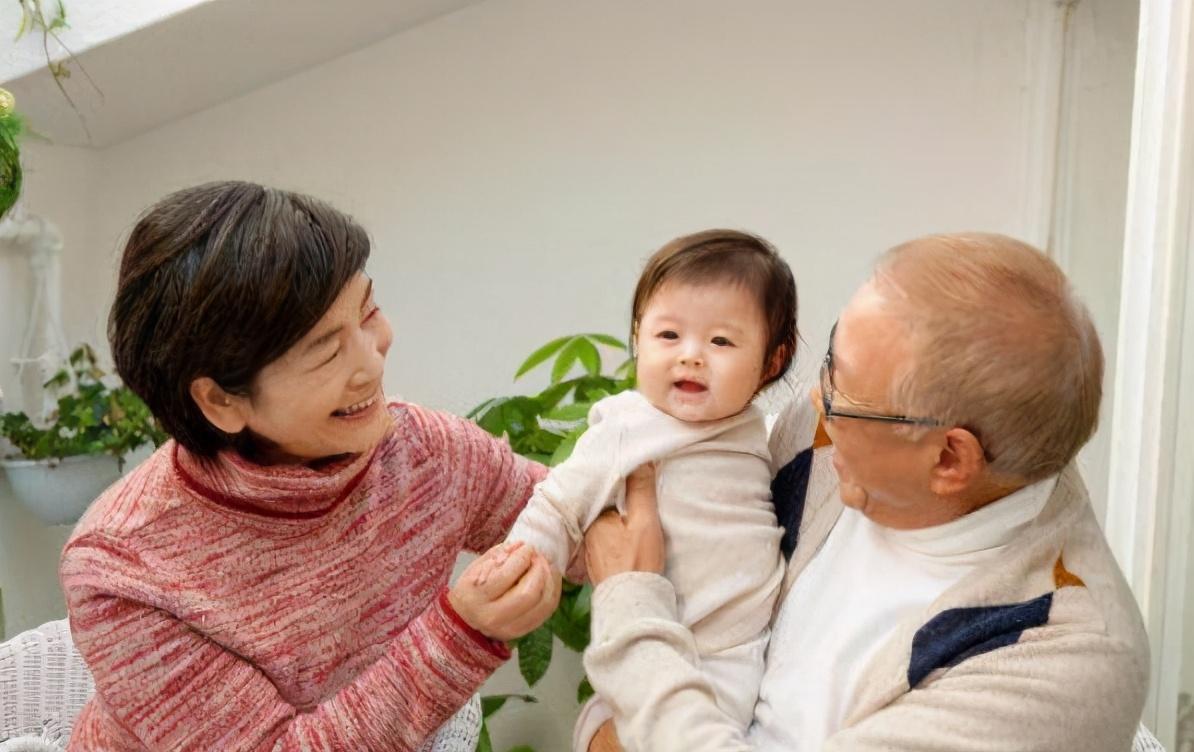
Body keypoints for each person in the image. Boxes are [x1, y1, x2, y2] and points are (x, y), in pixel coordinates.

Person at [582, 233, 1150, 752]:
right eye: (833, 358)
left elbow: (639, 613)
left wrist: (629, 606)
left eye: (845, 396)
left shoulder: (1058, 663)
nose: (814, 401)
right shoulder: (822, 448)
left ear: (950, 459)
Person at [58, 181, 560, 751]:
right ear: (222, 401)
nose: (371, 363)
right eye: (326, 351)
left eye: (368, 312)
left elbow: (568, 511)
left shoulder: (421, 449)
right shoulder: (123, 569)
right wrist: (463, 633)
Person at [502, 229, 797, 748]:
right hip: (677, 642)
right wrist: (521, 561)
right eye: (668, 336)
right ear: (638, 338)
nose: (691, 356)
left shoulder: (762, 431)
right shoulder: (626, 429)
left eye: (721, 341)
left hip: (748, 647)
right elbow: (558, 503)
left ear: (772, 362)